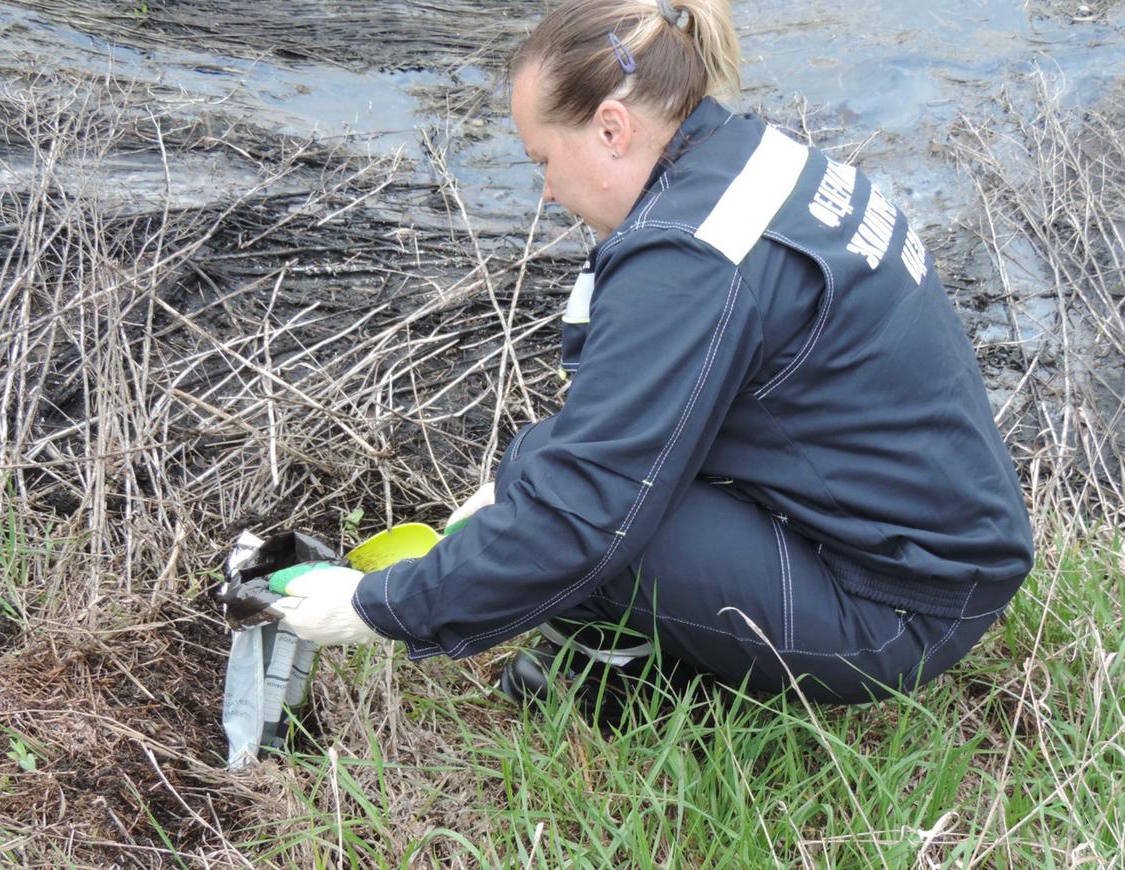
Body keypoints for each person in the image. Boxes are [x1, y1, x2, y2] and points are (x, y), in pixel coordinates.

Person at [271, 0, 1034, 705]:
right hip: (944, 551)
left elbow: (580, 521)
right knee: (544, 467)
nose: (546, 193)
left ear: (610, 127)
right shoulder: (751, 157)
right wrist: (519, 490)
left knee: (593, 536)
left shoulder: (691, 257)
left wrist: (373, 608)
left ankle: (622, 695)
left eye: (543, 160)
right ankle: (642, 647)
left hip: (898, 609)